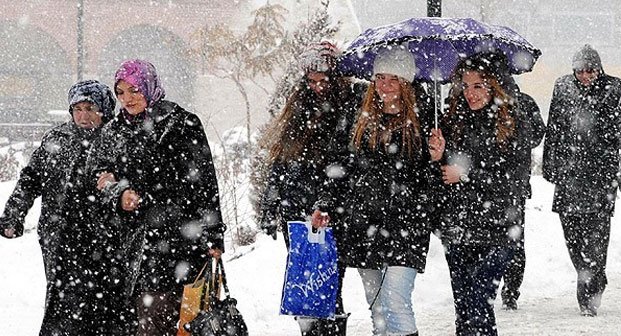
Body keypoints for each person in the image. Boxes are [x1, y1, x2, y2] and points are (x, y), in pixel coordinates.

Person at [87, 59, 226, 335]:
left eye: (134, 90)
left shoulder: (180, 124)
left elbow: (203, 184)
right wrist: (119, 194)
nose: (127, 99)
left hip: (180, 240)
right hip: (129, 247)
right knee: (143, 321)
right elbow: (97, 177)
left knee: (183, 322)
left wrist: (214, 234)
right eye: (121, 92)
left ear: (149, 87)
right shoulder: (113, 132)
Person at [312, 45, 437, 336]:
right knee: (378, 306)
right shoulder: (359, 117)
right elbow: (339, 165)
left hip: (406, 225)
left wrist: (434, 158)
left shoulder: (424, 121)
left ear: (405, 83)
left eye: (393, 79)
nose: (384, 86)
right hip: (363, 224)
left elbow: (432, 184)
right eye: (379, 78)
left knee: (395, 299)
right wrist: (324, 204)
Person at [0, 80, 127, 335]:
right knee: (63, 304)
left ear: (103, 109)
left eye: (90, 108)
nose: (83, 115)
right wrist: (13, 215)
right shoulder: (56, 140)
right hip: (60, 239)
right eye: (77, 109)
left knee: (105, 307)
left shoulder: (118, 139)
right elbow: (30, 179)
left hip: (105, 241)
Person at [259, 41, 362, 336]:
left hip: (329, 212)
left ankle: (328, 330)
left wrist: (326, 202)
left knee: (328, 284)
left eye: (323, 80)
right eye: (312, 81)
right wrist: (271, 200)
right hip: (296, 210)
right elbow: (281, 158)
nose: (317, 86)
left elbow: (343, 161)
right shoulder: (300, 107)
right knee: (305, 286)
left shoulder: (348, 107)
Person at [429, 52, 532, 336]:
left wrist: (466, 175)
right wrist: (438, 156)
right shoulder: (454, 123)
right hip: (459, 228)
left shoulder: (513, 124)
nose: (470, 93)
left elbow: (514, 183)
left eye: (478, 85)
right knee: (464, 309)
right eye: (465, 85)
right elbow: (441, 178)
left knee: (478, 304)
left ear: (494, 86)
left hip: (497, 230)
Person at [542, 44, 621, 317]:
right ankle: (594, 276)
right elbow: (555, 127)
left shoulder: (618, 91)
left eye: (590, 71)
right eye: (580, 71)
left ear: (599, 69)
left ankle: (589, 293)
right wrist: (550, 163)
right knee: (572, 237)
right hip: (569, 175)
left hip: (601, 177)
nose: (584, 76)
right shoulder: (563, 88)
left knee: (596, 240)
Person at [499, 83, 546, 310]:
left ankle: (510, 288)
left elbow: (538, 133)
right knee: (511, 239)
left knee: (513, 239)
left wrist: (516, 136)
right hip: (509, 185)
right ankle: (506, 287)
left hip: (513, 186)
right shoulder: (479, 101)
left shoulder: (524, 102)